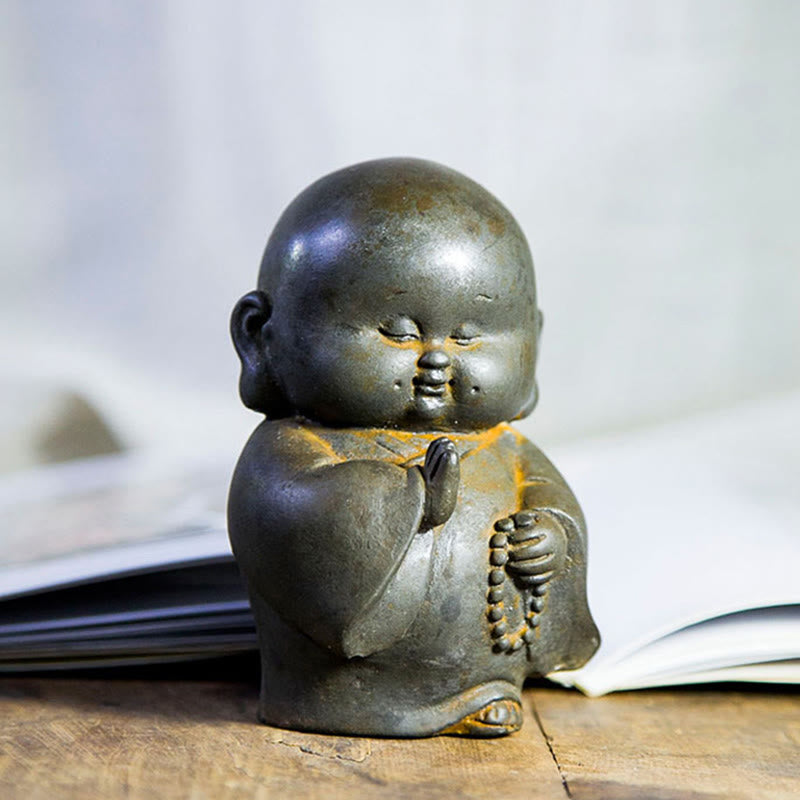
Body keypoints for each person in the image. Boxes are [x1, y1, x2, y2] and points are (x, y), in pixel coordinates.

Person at [228, 158, 598, 737]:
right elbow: (283, 518)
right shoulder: (290, 447)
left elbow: (553, 507)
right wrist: (407, 496)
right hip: (335, 689)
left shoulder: (508, 447)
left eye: (470, 336)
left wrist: (549, 537)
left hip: (483, 677)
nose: (437, 359)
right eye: (399, 333)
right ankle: (355, 701)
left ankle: (480, 689)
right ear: (262, 337)